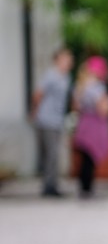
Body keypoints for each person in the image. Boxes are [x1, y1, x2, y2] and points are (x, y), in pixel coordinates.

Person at [30, 47, 74, 197]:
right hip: (46, 119)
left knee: (53, 155)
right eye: (65, 59)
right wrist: (35, 112)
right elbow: (38, 94)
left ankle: (51, 184)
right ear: (57, 60)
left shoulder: (66, 77)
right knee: (51, 154)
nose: (69, 62)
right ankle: (49, 186)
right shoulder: (51, 75)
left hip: (57, 120)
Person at [71, 56, 108, 199]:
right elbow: (103, 109)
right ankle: (88, 189)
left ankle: (83, 188)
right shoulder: (97, 87)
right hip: (95, 126)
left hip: (84, 123)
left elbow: (75, 107)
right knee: (90, 159)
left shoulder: (80, 85)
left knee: (85, 159)